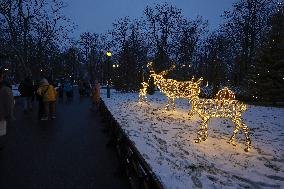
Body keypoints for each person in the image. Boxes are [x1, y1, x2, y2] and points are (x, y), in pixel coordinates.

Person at [0, 69, 14, 150]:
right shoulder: (5, 89)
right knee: (1, 130)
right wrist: (10, 115)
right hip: (1, 114)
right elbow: (9, 104)